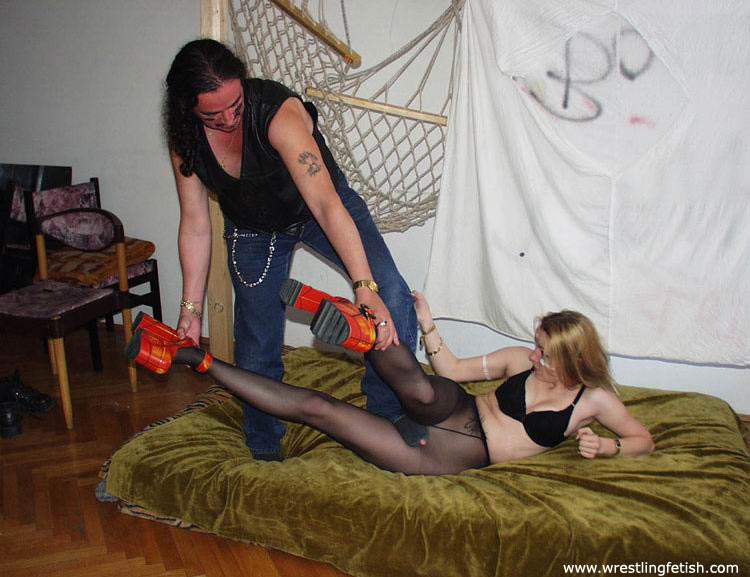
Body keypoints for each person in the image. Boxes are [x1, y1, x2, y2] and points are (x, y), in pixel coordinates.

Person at [164, 39, 422, 461]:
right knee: (256, 340)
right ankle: (264, 442)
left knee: (390, 295)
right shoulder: (186, 140)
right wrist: (190, 312)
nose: (228, 120)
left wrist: (364, 286)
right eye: (212, 115)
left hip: (320, 209)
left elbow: (326, 205)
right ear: (187, 109)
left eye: (235, 105)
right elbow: (194, 224)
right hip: (254, 227)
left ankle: (388, 415)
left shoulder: (277, 113)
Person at [125, 282, 654, 475]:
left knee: (320, 409)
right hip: (455, 407)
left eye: (544, 354)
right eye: (535, 346)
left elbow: (642, 440)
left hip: (450, 455)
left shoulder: (596, 401)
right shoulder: (518, 359)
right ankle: (362, 331)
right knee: (421, 388)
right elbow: (452, 371)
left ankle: (194, 359)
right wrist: (427, 324)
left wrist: (607, 448)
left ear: (572, 359)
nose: (533, 356)